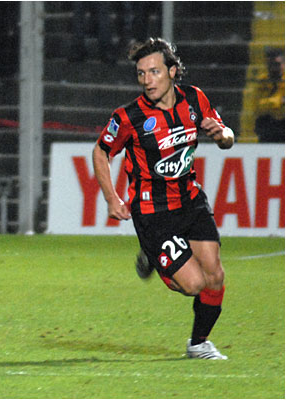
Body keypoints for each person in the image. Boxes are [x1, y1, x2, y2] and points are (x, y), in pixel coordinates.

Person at [92, 38, 234, 360]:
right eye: (141, 74)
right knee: (194, 284)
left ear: (172, 71)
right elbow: (101, 150)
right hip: (153, 212)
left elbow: (227, 137)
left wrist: (221, 134)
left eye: (154, 72)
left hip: (191, 200)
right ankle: (155, 258)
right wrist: (112, 198)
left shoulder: (195, 99)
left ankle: (198, 343)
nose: (146, 80)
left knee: (215, 276)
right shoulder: (129, 117)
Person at [254, 47, 285, 143]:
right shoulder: (262, 81)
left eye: (277, 64)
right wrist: (279, 101)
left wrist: (268, 103)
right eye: (271, 64)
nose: (274, 68)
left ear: (284, 64)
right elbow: (257, 107)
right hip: (268, 126)